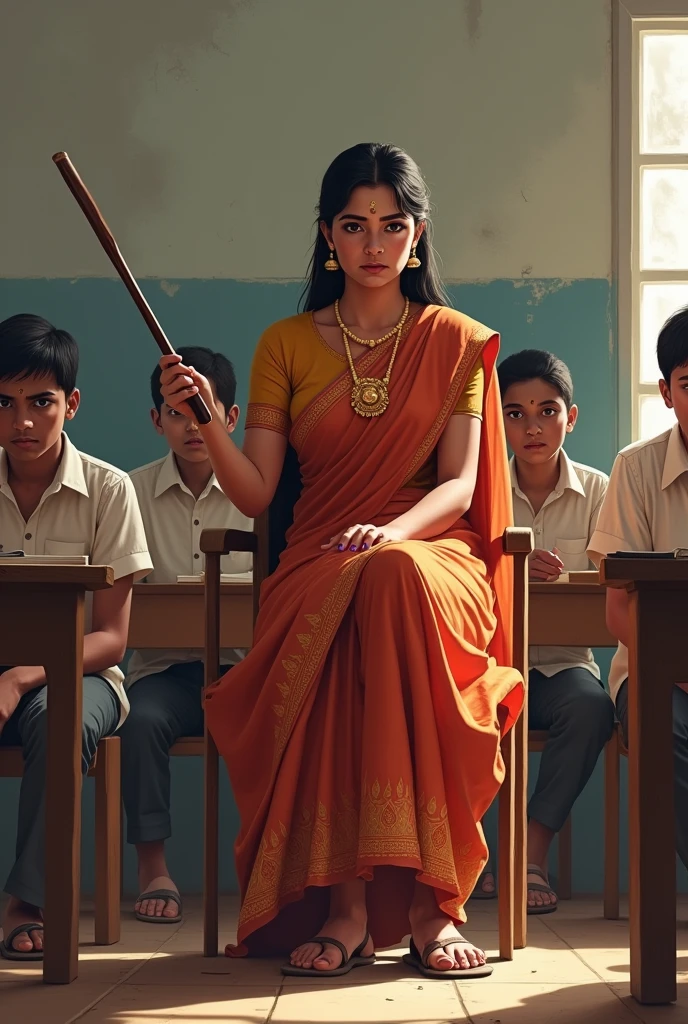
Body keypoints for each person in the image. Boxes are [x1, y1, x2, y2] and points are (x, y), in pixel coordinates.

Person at [159, 143, 524, 980]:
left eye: (392, 226)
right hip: (321, 558)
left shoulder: (456, 341)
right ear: (327, 234)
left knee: (389, 577)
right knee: (360, 587)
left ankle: (435, 907)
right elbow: (255, 494)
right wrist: (209, 419)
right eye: (354, 226)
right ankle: (347, 904)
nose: (373, 244)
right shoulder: (285, 343)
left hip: (433, 554)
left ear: (418, 236)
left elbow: (462, 485)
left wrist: (396, 533)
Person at [0, 314, 151, 961]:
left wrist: (20, 674)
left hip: (82, 680)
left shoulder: (109, 490)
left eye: (41, 402)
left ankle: (29, 903)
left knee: (57, 715)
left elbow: (112, 639)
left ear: (72, 404)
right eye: (4, 403)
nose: (23, 422)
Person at [472, 350, 613, 912]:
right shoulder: (479, 493)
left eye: (547, 410)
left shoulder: (601, 490)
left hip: (563, 667)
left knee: (593, 708)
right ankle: (473, 856)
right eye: (514, 413)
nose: (532, 427)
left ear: (570, 417)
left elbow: (613, 579)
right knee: (437, 704)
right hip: (488, 665)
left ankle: (531, 856)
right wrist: (509, 568)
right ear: (496, 420)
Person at [122, 347, 252, 924]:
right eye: (177, 412)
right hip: (165, 673)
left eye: (204, 410)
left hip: (246, 668)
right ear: (156, 420)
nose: (192, 425)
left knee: (294, 713)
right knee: (140, 719)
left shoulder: (258, 493)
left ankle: (271, 866)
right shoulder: (127, 493)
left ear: (231, 418)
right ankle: (155, 868)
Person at [588, 306, 688, 869]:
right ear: (667, 392)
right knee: (666, 725)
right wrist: (681, 670)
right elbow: (620, 610)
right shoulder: (638, 469)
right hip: (657, 672)